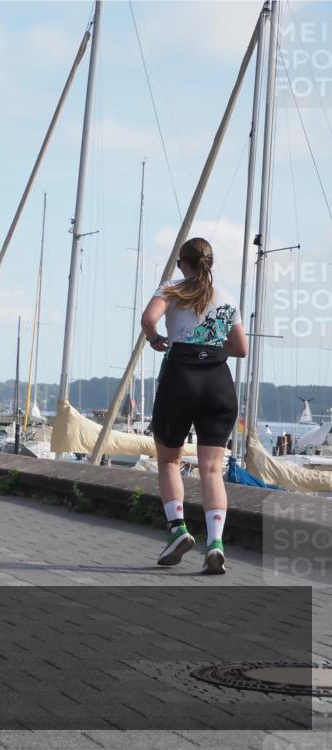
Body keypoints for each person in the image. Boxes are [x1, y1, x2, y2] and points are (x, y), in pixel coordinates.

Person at [141, 238, 248, 574]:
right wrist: (210, 346)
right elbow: (241, 348)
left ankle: (178, 531)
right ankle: (215, 543)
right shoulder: (228, 298)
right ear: (211, 264)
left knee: (170, 460)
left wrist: (154, 338)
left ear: (182, 263)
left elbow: (148, 319)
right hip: (218, 382)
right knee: (212, 469)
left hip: (180, 378)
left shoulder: (173, 289)